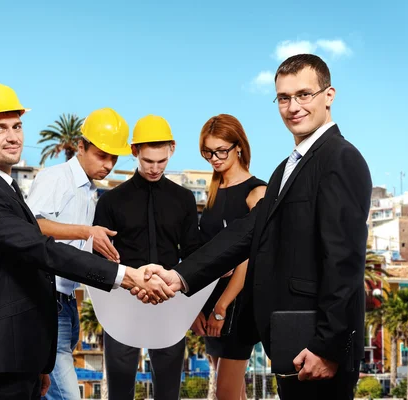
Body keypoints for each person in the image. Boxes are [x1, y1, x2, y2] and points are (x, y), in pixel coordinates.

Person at [141, 54, 372, 400]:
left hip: (317, 345)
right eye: (283, 97)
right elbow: (248, 231)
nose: (293, 106)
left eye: (304, 94)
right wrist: (180, 276)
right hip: (290, 338)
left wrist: (327, 345)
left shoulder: (340, 158)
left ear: (329, 95)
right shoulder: (286, 169)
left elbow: (345, 261)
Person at [0, 82, 174, 400]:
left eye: (17, 126)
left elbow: (24, 269)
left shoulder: (5, 189)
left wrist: (40, 360)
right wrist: (127, 275)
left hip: (22, 349)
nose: (13, 136)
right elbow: (41, 250)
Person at [26, 107, 131, 400]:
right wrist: (87, 232)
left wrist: (93, 244)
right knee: (67, 395)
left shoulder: (89, 190)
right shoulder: (56, 178)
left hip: (67, 302)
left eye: (114, 157)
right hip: (47, 301)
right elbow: (32, 226)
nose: (109, 164)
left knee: (50, 392)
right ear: (81, 147)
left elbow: (67, 241)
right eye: (102, 155)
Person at [93, 115, 201, 400]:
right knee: (119, 391)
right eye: (148, 161)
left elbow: (192, 254)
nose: (155, 168)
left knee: (168, 392)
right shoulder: (110, 201)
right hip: (121, 304)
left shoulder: (184, 199)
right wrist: (130, 283)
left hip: (169, 302)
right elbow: (100, 260)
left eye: (161, 161)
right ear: (134, 152)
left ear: (172, 150)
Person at [191, 114, 266, 400]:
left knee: (224, 394)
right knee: (235, 394)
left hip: (238, 304)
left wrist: (222, 307)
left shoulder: (257, 192)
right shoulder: (212, 193)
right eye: (207, 152)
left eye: (221, 150)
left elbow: (249, 257)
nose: (214, 158)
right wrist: (199, 305)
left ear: (238, 146)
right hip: (212, 300)